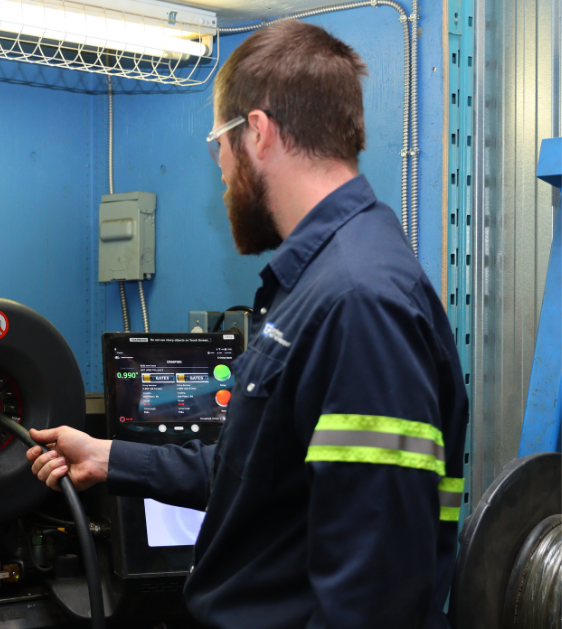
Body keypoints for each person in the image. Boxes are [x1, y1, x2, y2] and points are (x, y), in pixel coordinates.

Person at [27, 20, 468, 629]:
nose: (221, 169)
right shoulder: (321, 285)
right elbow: (258, 470)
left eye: (219, 144)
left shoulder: (357, 301)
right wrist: (109, 457)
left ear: (256, 133)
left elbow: (374, 585)